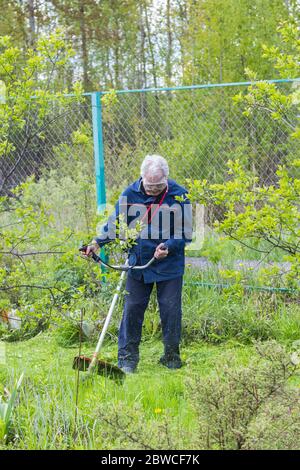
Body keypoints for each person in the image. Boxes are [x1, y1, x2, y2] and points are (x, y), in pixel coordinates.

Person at [85, 155, 192, 373]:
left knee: (171, 310)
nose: (154, 190)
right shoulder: (129, 194)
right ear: (142, 177)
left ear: (167, 179)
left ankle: (171, 357)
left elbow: (187, 233)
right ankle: (127, 360)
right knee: (132, 309)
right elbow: (113, 224)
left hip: (169, 264)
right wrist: (97, 243)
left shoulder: (179, 195)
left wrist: (168, 246)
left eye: (159, 186)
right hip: (138, 263)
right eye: (150, 186)